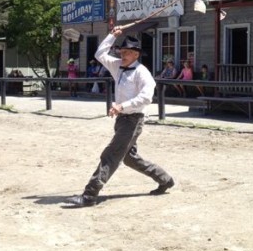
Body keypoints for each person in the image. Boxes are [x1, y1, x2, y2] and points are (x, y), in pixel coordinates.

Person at [66, 27, 174, 207]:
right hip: (122, 120)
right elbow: (100, 53)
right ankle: (165, 179)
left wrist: (121, 106)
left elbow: (146, 98)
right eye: (122, 51)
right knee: (130, 158)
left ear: (136, 55)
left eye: (128, 52)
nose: (123, 55)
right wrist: (112, 35)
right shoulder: (117, 66)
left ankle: (89, 195)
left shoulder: (142, 73)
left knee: (111, 154)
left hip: (133, 120)